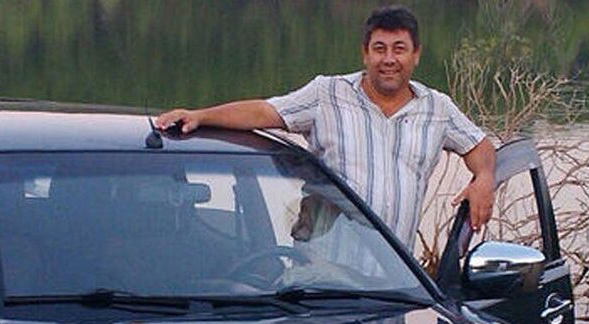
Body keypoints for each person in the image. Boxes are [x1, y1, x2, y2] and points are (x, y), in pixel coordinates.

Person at [155, 5, 495, 255]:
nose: (389, 59)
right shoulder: (327, 95)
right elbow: (264, 111)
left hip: (393, 279)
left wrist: (484, 179)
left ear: (416, 55)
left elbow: (479, 146)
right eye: (379, 49)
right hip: (323, 274)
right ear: (365, 54)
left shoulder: (437, 108)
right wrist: (201, 116)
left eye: (399, 49)